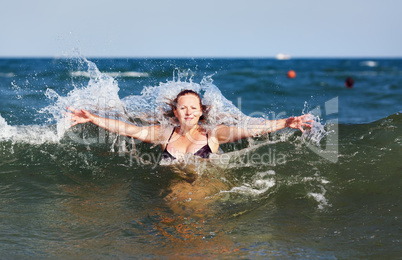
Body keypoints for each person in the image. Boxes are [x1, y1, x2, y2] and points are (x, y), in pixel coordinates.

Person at [67, 89, 313, 161]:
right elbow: (128, 129)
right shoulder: (163, 134)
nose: (188, 111)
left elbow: (250, 129)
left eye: (193, 108)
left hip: (204, 196)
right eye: (183, 107)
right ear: (175, 111)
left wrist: (284, 122)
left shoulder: (214, 135)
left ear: (200, 112)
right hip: (172, 198)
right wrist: (93, 118)